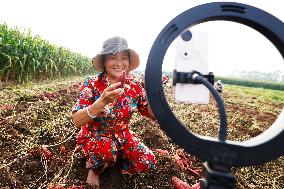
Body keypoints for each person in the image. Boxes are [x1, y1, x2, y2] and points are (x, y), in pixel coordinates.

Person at [71, 36, 157, 188]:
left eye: (124, 58)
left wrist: (154, 92)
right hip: (95, 135)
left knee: (148, 162)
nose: (119, 63)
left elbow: (151, 113)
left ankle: (114, 167)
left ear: (129, 63)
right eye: (113, 58)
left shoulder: (135, 87)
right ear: (104, 62)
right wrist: (101, 102)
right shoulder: (92, 84)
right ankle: (95, 169)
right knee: (105, 148)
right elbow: (76, 120)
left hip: (123, 136)